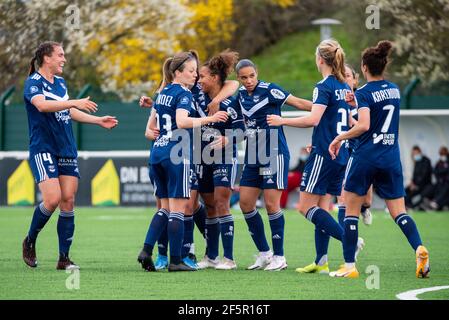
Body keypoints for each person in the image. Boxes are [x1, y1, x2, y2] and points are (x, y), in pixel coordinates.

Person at [328, 40, 430, 278]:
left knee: (350, 210)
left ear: (364, 67)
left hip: (365, 157)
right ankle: (419, 248)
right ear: (383, 66)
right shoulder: (394, 90)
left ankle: (349, 267)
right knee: (399, 212)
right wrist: (356, 103)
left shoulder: (363, 92)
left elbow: (364, 125)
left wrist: (339, 138)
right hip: (391, 158)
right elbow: (377, 111)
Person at [267, 39, 361, 275]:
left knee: (304, 207)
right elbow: (340, 120)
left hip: (324, 154)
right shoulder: (343, 86)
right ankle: (321, 261)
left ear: (320, 59)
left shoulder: (324, 85)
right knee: (322, 207)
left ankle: (351, 242)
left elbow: (313, 119)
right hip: (339, 151)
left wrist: (282, 120)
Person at [22, 41, 118, 270]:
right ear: (47, 58)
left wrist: (97, 120)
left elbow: (67, 109)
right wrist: (74, 101)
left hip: (66, 147)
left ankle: (63, 258)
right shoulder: (33, 82)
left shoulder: (61, 82)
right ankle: (30, 240)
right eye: (60, 55)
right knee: (52, 199)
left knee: (68, 200)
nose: (64, 59)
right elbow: (43, 106)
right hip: (43, 148)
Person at [136, 51, 228, 272]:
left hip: (157, 153)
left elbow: (151, 128)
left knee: (165, 208)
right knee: (178, 210)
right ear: (177, 72)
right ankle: (176, 260)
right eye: (191, 71)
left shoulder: (162, 92)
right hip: (176, 154)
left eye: (196, 71)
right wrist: (211, 118)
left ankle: (147, 250)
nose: (195, 75)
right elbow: (182, 121)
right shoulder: (184, 94)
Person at [236, 58, 312, 271]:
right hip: (252, 156)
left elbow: (299, 103)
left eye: (252, 75)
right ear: (238, 79)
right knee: (245, 203)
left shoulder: (270, 90)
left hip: (274, 154)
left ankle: (280, 256)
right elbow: (241, 126)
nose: (249, 80)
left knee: (271, 204)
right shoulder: (240, 96)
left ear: (257, 73)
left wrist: (324, 109)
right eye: (244, 77)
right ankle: (265, 253)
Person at [193, 50, 245, 270]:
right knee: (210, 206)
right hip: (202, 157)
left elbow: (242, 131)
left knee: (222, 203)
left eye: (203, 76)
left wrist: (226, 139)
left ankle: (230, 258)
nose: (199, 80)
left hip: (224, 158)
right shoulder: (197, 97)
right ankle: (210, 256)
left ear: (214, 78)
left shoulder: (230, 103)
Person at [421, 146, 449, 211]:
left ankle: (435, 202)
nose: (442, 155)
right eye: (441, 154)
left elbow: (444, 171)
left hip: (446, 183)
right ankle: (431, 202)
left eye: (443, 154)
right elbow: (435, 171)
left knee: (445, 190)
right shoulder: (439, 162)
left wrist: (441, 171)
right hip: (440, 183)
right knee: (433, 188)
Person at [404, 145, 432, 210]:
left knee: (412, 195)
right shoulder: (416, 162)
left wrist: (416, 185)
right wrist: (412, 183)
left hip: (424, 185)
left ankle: (411, 207)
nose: (415, 155)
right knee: (404, 192)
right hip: (415, 185)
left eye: (416, 153)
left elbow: (424, 175)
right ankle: (407, 206)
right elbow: (415, 175)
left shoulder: (426, 161)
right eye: (413, 154)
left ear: (420, 152)